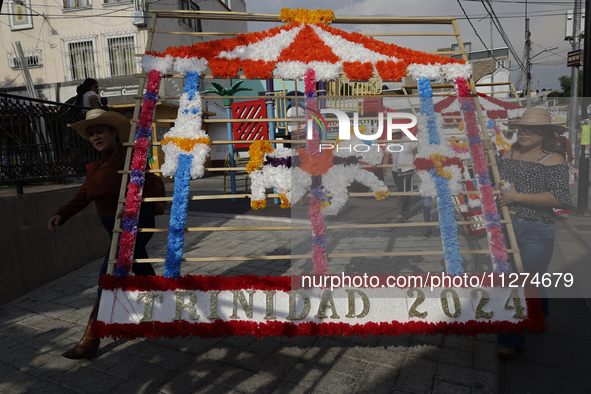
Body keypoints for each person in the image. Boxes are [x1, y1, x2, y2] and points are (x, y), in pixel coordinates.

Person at [48, 109, 160, 359]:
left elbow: (141, 181)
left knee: (106, 274)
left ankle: (91, 339)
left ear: (113, 132)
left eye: (100, 131)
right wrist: (62, 213)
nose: (95, 137)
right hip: (113, 226)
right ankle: (160, 312)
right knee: (140, 265)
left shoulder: (128, 154)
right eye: (90, 134)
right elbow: (84, 194)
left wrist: (131, 205)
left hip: (136, 220)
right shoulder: (96, 165)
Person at [492, 108, 573, 359]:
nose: (524, 132)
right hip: (506, 226)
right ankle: (510, 337)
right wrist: (485, 156)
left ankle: (537, 317)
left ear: (546, 133)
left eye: (532, 128)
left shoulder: (554, 160)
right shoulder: (506, 154)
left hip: (537, 229)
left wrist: (517, 197)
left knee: (531, 280)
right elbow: (491, 180)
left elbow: (561, 198)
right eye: (521, 127)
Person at [382, 130, 417, 216]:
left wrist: (417, 165)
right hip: (395, 170)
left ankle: (404, 208)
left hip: (408, 169)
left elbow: (415, 153)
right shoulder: (389, 143)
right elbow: (387, 155)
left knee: (405, 188)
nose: (393, 136)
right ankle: (403, 202)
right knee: (400, 188)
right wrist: (383, 167)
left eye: (394, 134)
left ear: (400, 134)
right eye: (391, 135)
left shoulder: (409, 140)